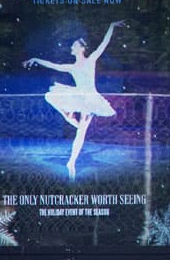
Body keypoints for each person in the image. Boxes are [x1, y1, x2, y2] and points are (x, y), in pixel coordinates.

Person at [23, 20, 125, 180]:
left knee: (81, 130)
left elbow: (104, 44)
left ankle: (71, 162)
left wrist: (111, 27)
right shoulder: (71, 67)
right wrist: (35, 59)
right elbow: (52, 65)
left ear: (82, 48)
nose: (72, 47)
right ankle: (68, 116)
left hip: (90, 99)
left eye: (74, 45)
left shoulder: (91, 60)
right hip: (79, 96)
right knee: (50, 96)